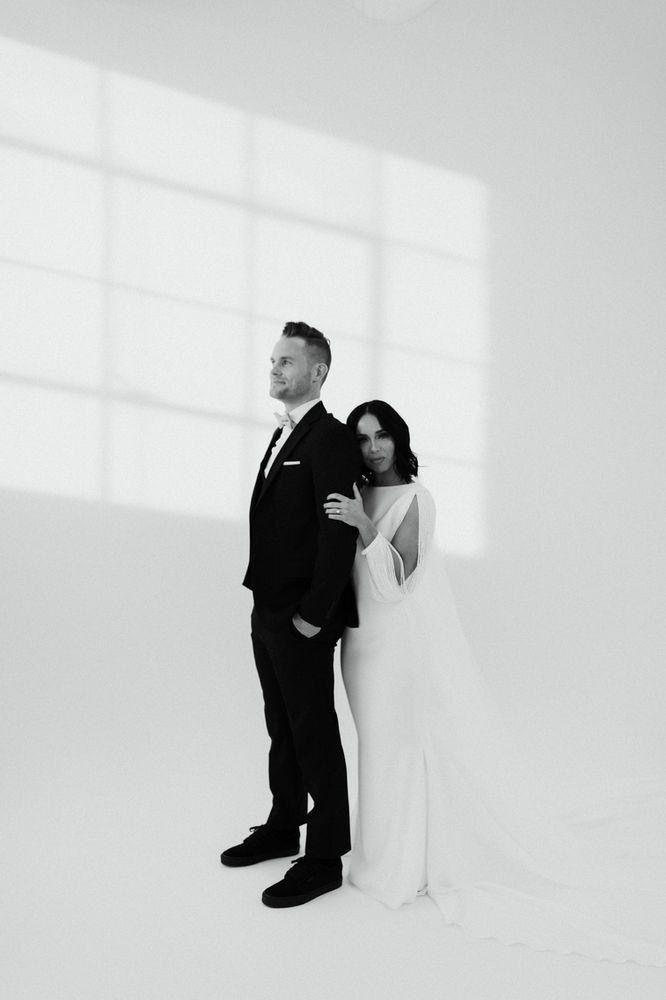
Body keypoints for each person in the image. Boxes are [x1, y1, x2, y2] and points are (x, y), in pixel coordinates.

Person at [323, 399, 666, 965]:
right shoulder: (358, 492)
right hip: (362, 649)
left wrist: (362, 525)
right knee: (377, 750)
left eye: (382, 435)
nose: (373, 447)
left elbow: (398, 583)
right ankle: (381, 854)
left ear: (399, 439)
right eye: (362, 439)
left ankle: (401, 869)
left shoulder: (414, 498)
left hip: (400, 649)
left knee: (405, 751)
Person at [221, 321, 362, 909]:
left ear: (318, 372)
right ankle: (284, 826)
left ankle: (324, 857)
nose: (274, 369)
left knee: (313, 731)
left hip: (304, 616)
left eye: (286, 361)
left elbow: (337, 536)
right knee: (280, 723)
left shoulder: (329, 439)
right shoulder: (284, 433)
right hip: (268, 606)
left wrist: (312, 615)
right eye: (273, 361)